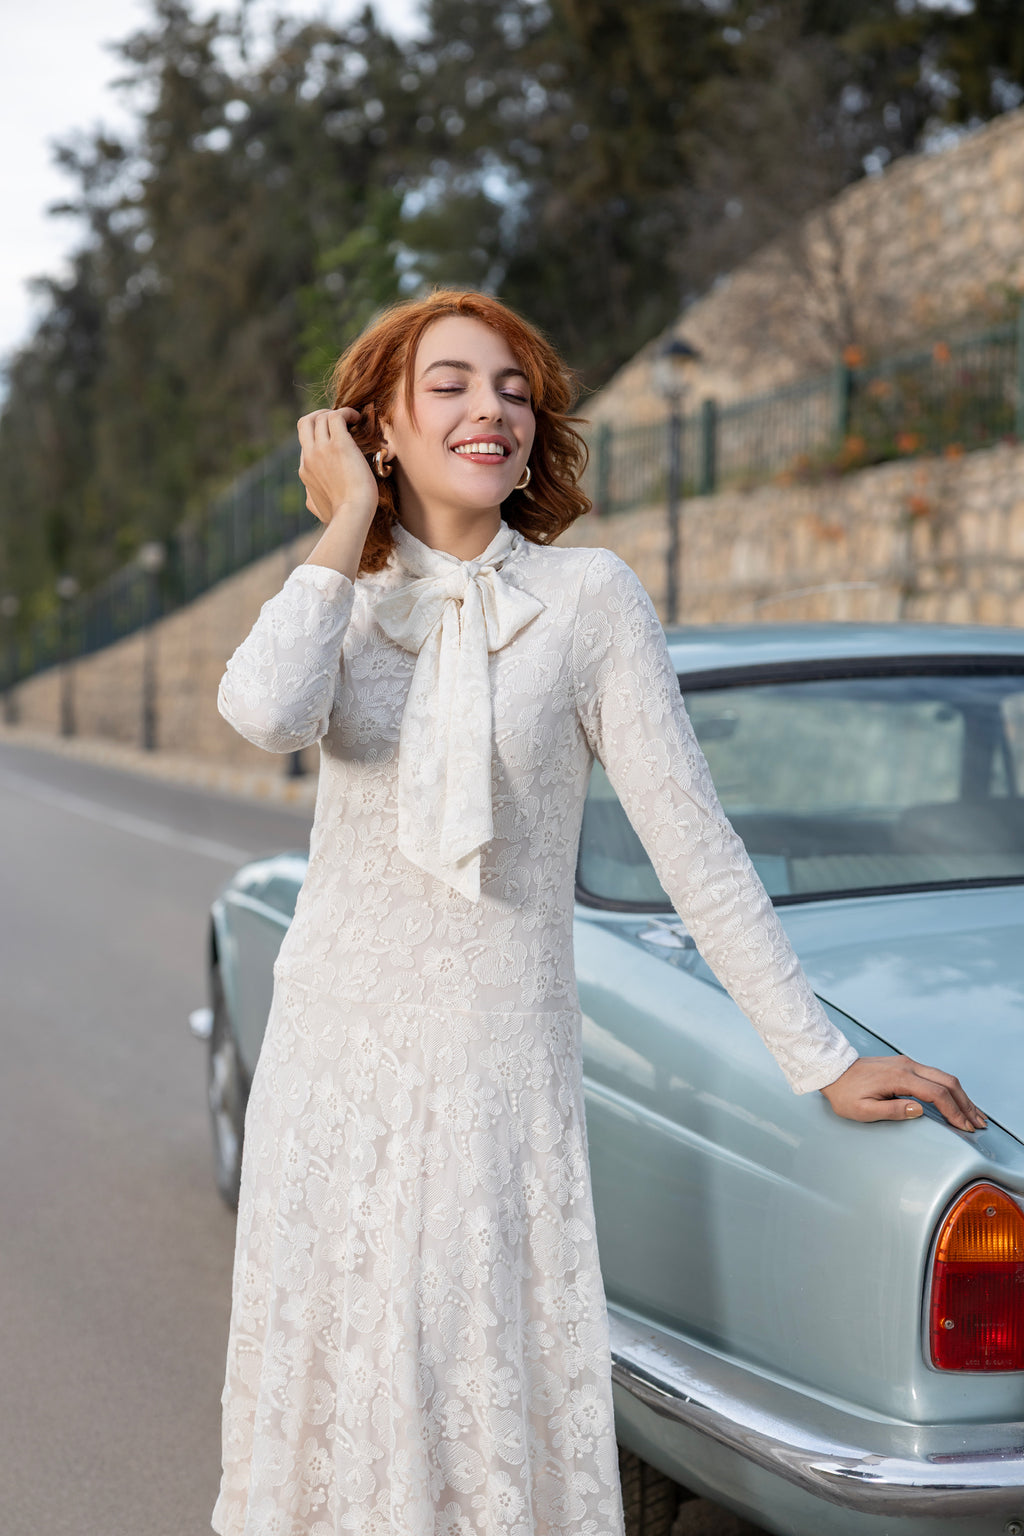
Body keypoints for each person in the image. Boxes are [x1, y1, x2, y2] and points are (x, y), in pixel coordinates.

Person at [210, 289, 985, 1536]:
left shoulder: (588, 600)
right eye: (450, 384)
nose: (491, 409)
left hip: (493, 1061)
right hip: (332, 1061)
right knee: (341, 1369)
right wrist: (346, 521)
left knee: (470, 1375)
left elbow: (696, 848)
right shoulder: (337, 597)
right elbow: (263, 712)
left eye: (513, 390)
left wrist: (821, 1057)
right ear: (377, 431)